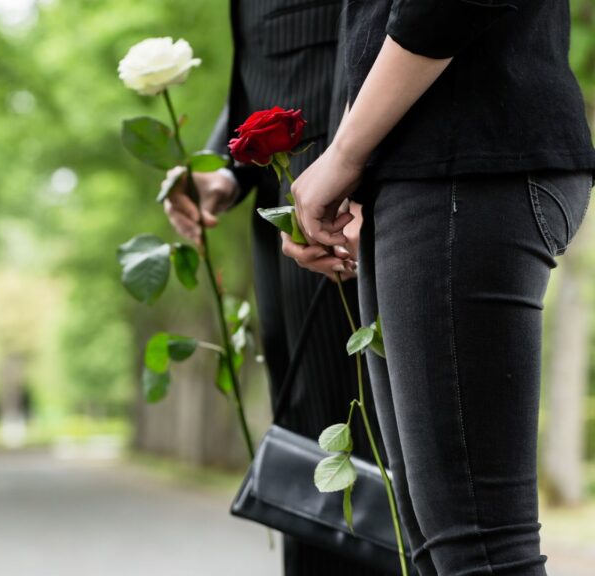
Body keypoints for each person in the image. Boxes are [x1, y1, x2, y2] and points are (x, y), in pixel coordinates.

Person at [283, 0, 594, 573]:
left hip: (464, 159)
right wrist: (352, 158)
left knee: (477, 549)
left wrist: (349, 153)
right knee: (438, 547)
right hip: (425, 168)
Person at [162, 1, 384, 574]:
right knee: (316, 482)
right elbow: (268, 70)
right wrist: (226, 169)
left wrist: (364, 172)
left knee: (379, 483)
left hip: (355, 220)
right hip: (288, 235)